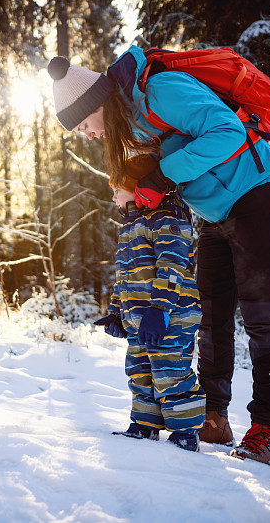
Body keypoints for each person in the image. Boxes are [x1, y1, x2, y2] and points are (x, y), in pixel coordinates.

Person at [48, 45, 270, 465]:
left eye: (84, 125)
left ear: (96, 104)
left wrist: (161, 177)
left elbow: (228, 133)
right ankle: (214, 417)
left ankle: (269, 428)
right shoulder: (132, 123)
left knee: (265, 317)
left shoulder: (160, 91)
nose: (88, 135)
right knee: (211, 316)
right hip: (217, 214)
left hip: (262, 196)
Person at [93, 153, 206, 452]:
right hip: (140, 320)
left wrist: (160, 308)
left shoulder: (168, 218)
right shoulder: (129, 228)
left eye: (118, 189)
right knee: (140, 370)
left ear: (139, 187)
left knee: (171, 372)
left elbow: (173, 267)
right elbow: (124, 278)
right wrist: (117, 312)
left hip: (171, 316)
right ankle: (145, 425)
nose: (114, 196)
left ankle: (186, 432)